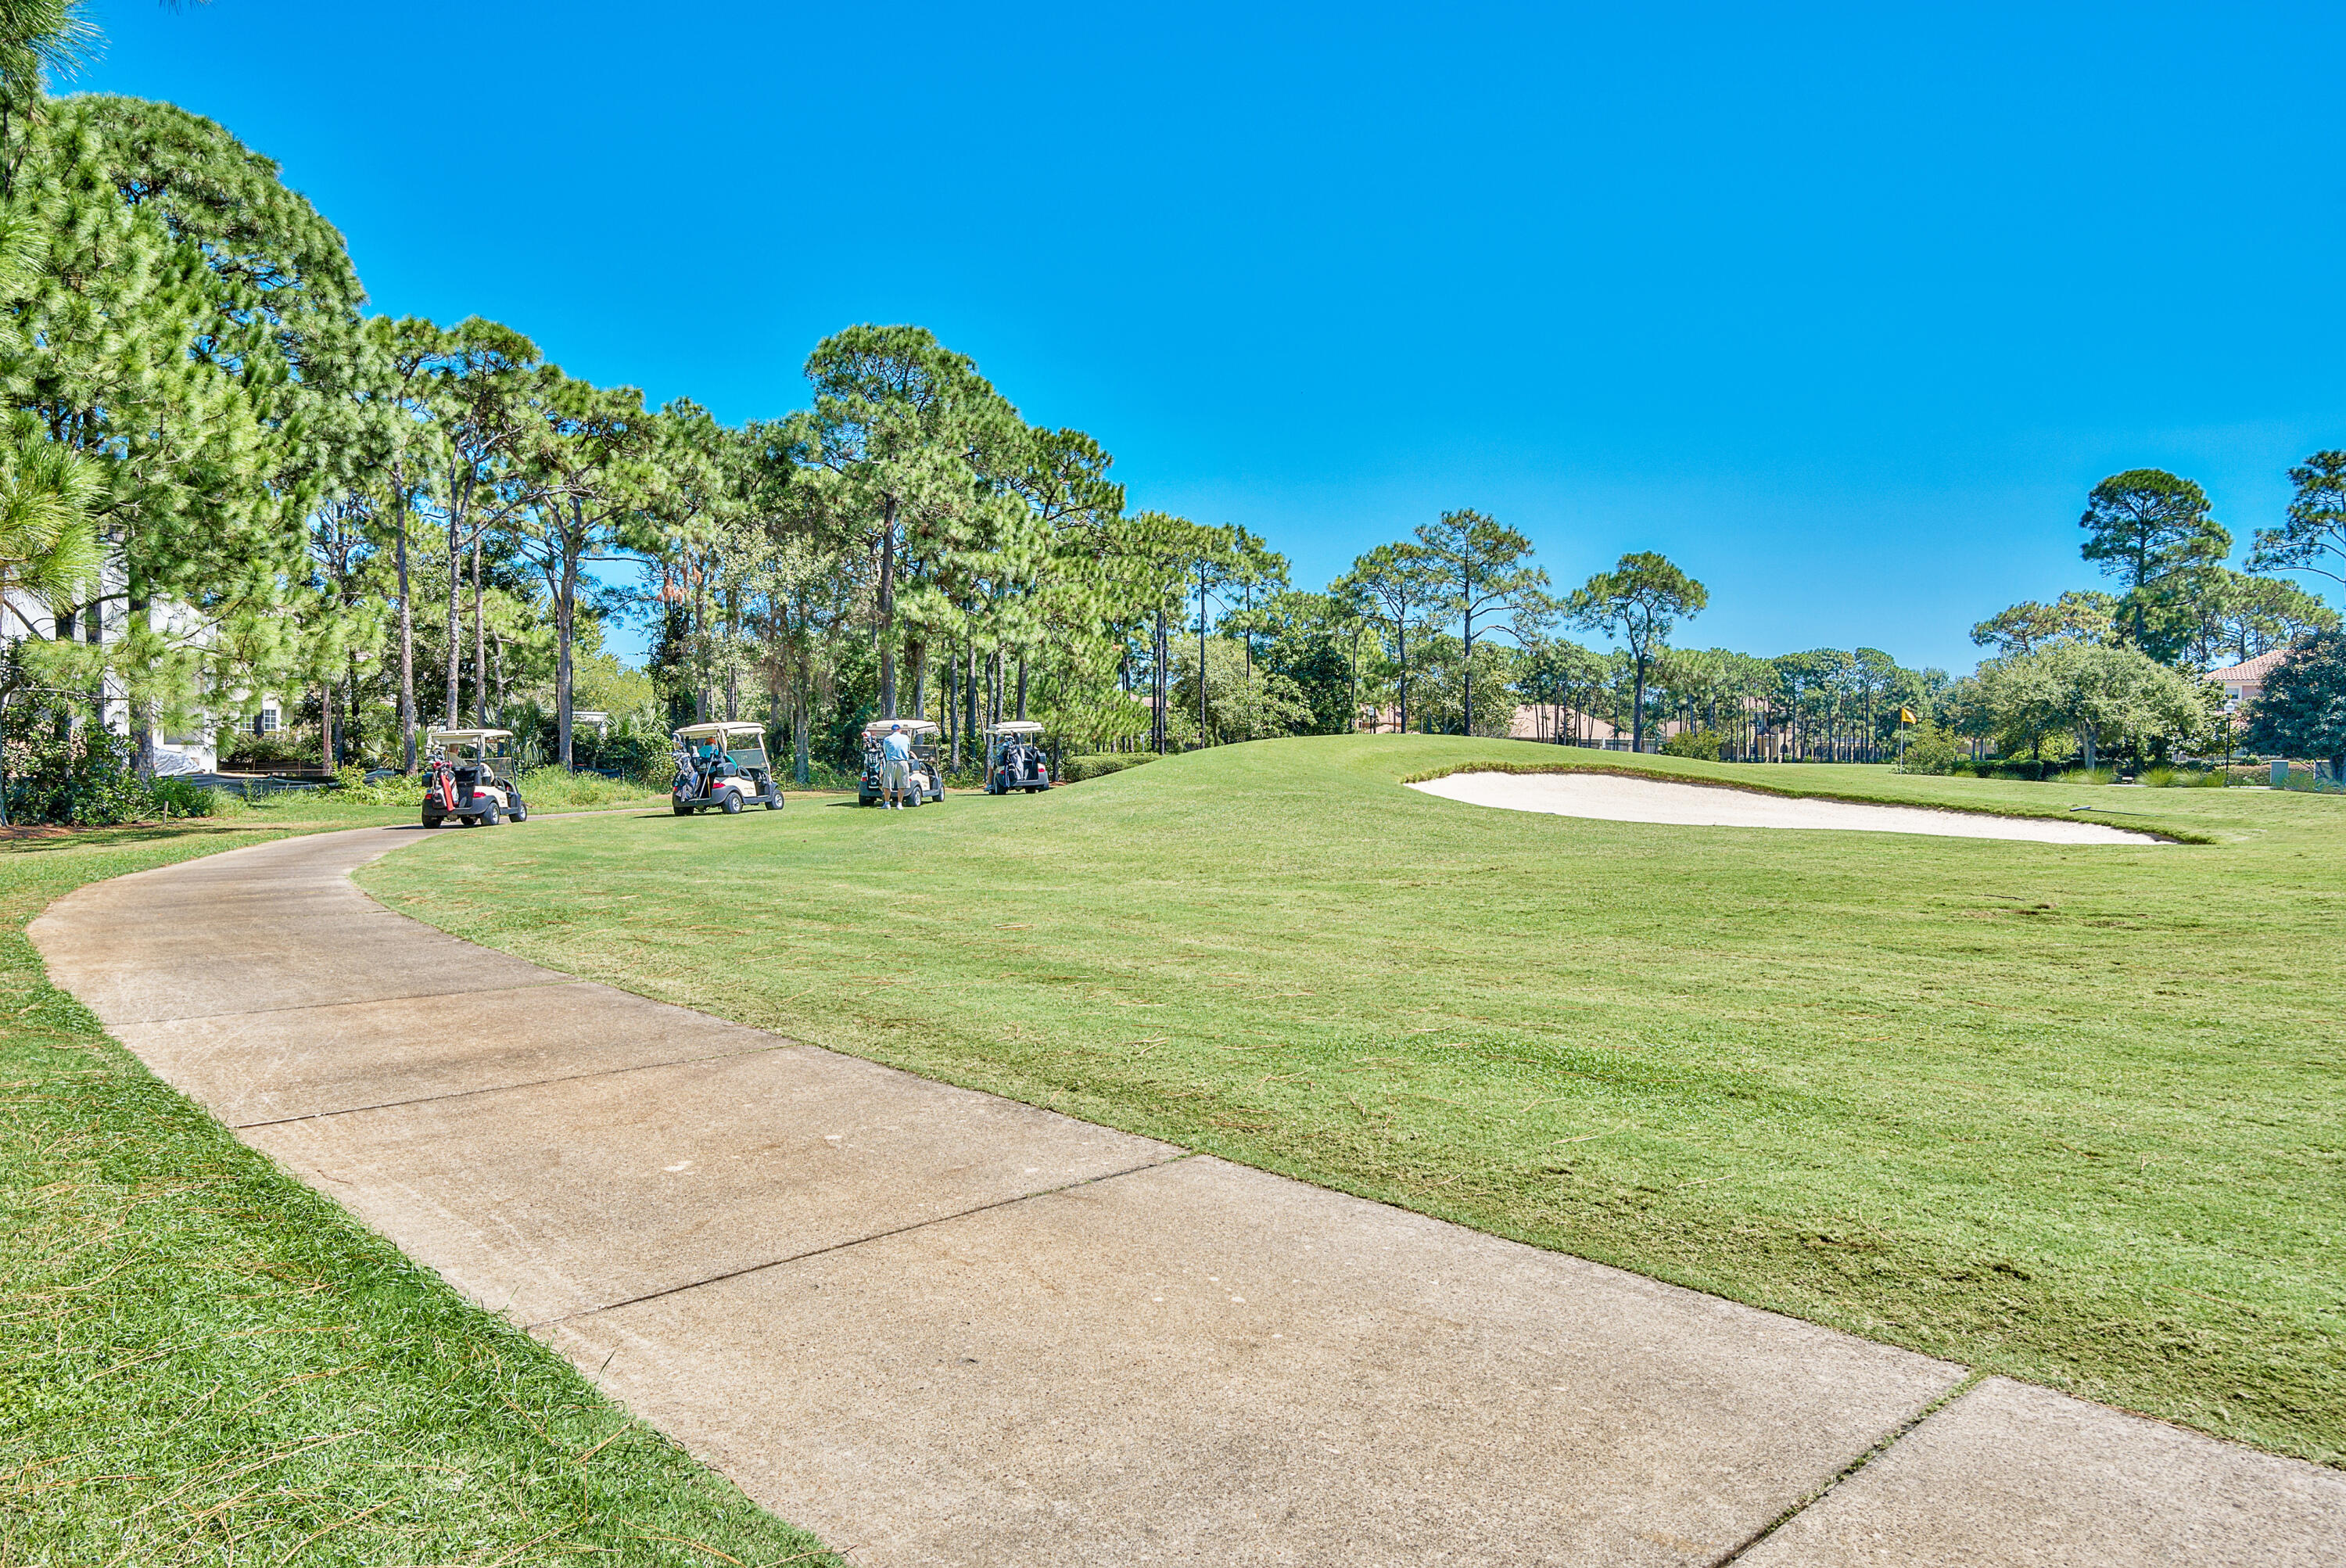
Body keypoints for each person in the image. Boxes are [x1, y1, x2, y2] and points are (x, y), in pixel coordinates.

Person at [881, 723, 913, 809]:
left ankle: (887, 803)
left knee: (887, 783)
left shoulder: (887, 739)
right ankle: (899, 804)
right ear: (900, 730)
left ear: (892, 731)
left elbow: (885, 750)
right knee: (902, 784)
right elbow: (908, 749)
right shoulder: (906, 738)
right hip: (903, 762)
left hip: (891, 762)